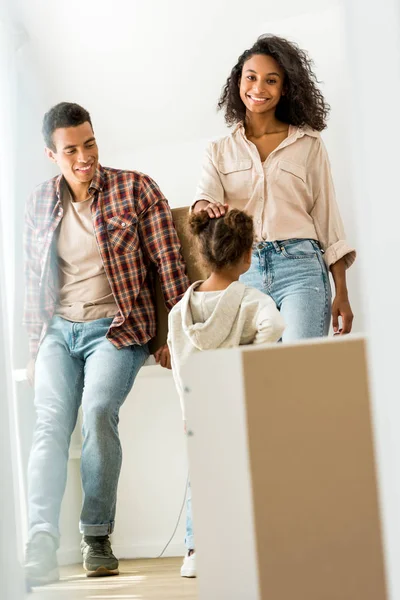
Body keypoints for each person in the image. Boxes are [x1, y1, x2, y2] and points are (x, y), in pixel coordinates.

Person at [23, 102, 189, 586]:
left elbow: (169, 267)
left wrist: (173, 337)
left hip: (117, 329)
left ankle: (96, 536)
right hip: (58, 330)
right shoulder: (37, 203)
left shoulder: (136, 189)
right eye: (70, 149)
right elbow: (34, 282)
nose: (84, 157)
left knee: (96, 411)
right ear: (51, 155)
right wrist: (35, 347)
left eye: (89, 143)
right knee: (49, 422)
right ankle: (39, 541)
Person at [193, 34, 356, 341]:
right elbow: (204, 200)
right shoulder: (218, 151)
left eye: (271, 80)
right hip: (244, 270)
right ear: (238, 82)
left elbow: (328, 219)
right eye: (251, 77)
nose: (258, 88)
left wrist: (342, 293)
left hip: (301, 268)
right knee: (262, 380)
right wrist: (206, 208)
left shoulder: (307, 143)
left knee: (300, 374)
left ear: (284, 89)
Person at [167, 208, 285, 577]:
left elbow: (178, 363)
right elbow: (275, 325)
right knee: (245, 475)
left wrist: (187, 409)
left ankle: (195, 551)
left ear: (202, 254)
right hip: (237, 404)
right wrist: (246, 355)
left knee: (200, 479)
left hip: (199, 407)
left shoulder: (177, 313)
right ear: (248, 256)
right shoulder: (251, 300)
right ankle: (245, 547)